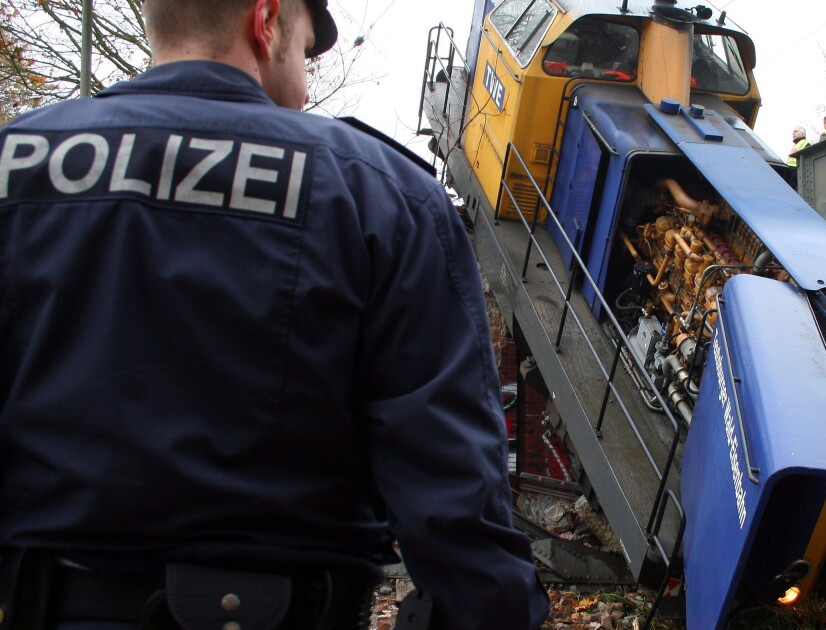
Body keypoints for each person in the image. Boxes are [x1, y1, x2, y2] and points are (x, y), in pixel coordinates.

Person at [0, 0, 548, 628]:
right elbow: (451, 491)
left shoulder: (15, 164)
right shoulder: (381, 195)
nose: (307, 85)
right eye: (307, 51)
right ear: (265, 21)